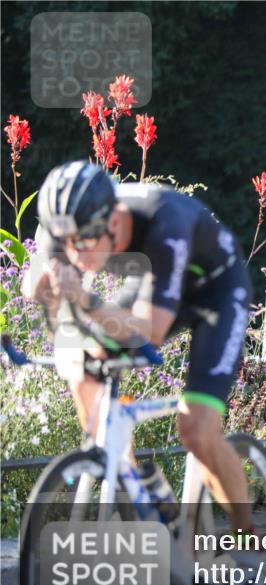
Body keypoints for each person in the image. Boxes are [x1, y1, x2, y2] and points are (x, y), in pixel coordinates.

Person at [23, 159, 254, 531]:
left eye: (84, 241)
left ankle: (246, 532)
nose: (75, 254)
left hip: (216, 294)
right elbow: (35, 284)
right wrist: (43, 287)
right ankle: (140, 487)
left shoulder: (166, 222)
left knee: (196, 430)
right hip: (153, 281)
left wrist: (85, 300)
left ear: (114, 222)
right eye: (66, 242)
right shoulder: (67, 223)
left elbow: (150, 331)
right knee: (86, 368)